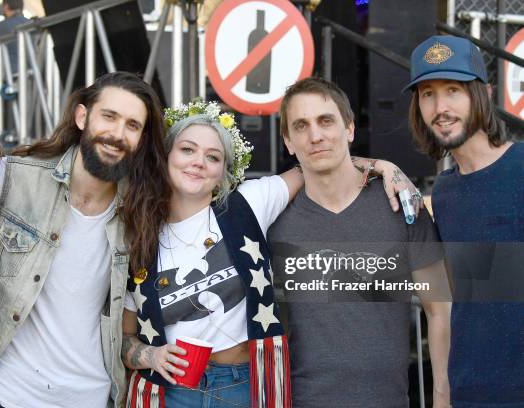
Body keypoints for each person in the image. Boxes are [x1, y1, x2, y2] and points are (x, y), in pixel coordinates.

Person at [120, 100, 421, 407]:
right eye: (187, 150)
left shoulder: (247, 203)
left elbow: (318, 162)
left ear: (223, 171)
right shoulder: (139, 236)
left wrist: (383, 166)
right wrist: (151, 355)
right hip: (172, 393)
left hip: (244, 387)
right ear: (166, 155)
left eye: (213, 157)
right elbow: (124, 339)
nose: (198, 162)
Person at [0, 72, 169, 408]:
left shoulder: (140, 214)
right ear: (81, 116)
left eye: (132, 125)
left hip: (90, 398)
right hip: (5, 395)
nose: (117, 134)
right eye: (109, 116)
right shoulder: (18, 178)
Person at [267, 77, 452, 408]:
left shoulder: (402, 205)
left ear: (349, 129)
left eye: (326, 121)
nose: (316, 135)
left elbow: (439, 310)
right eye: (301, 125)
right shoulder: (274, 219)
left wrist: (441, 396)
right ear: (288, 141)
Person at [405, 35, 524, 407]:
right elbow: (452, 299)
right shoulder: (444, 192)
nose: (441, 107)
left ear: (483, 95)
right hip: (472, 390)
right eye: (427, 94)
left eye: (453, 90)